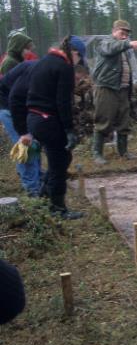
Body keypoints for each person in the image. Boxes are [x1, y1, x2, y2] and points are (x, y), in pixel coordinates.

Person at [26, 36, 86, 219]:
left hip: (34, 118)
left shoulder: (44, 61)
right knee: (59, 162)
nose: (78, 63)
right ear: (74, 52)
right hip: (48, 120)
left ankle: (44, 197)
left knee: (60, 159)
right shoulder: (64, 66)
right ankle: (58, 209)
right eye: (80, 58)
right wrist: (69, 130)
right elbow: (63, 102)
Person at [91, 20, 137, 165]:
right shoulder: (106, 43)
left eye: (126, 34)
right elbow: (110, 49)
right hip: (106, 88)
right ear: (114, 31)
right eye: (122, 33)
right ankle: (97, 154)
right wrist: (128, 43)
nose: (124, 36)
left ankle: (123, 152)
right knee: (103, 120)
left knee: (123, 121)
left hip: (123, 89)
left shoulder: (123, 49)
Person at [1, 60, 41, 196]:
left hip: (16, 106)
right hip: (10, 108)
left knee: (33, 143)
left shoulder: (34, 67)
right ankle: (31, 188)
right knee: (25, 145)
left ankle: (37, 178)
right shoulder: (35, 71)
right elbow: (14, 97)